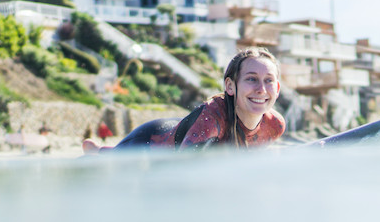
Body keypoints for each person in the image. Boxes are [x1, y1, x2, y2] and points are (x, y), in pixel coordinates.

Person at [83, 47, 285, 154]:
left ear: (276, 89)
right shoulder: (213, 119)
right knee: (117, 160)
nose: (261, 89)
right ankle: (97, 150)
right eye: (251, 79)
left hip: (186, 129)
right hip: (152, 140)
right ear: (230, 86)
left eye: (269, 81)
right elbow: (185, 167)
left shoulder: (275, 126)